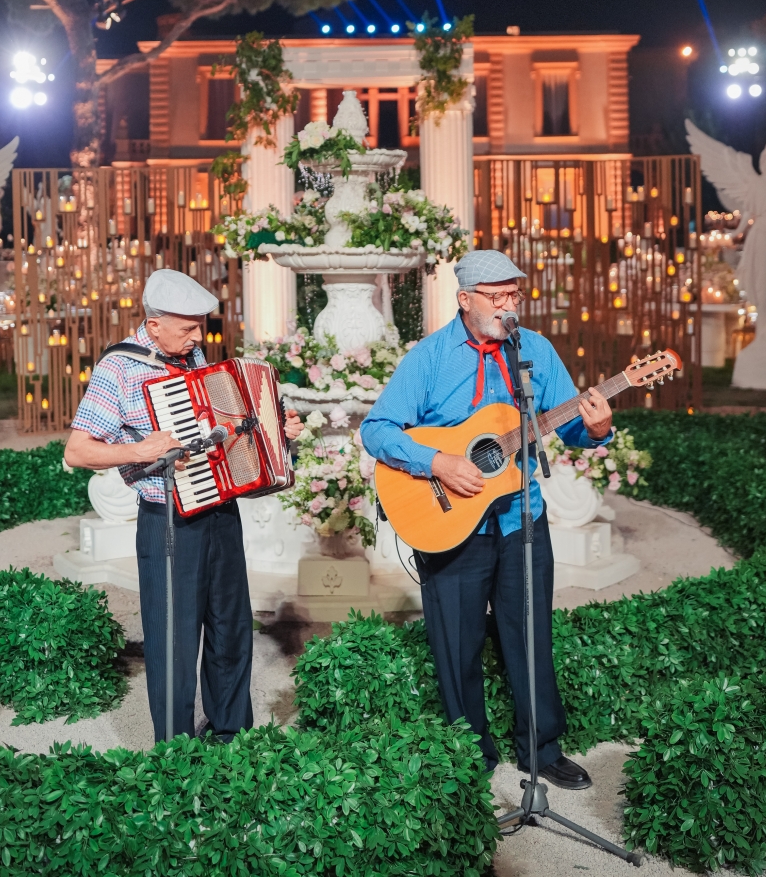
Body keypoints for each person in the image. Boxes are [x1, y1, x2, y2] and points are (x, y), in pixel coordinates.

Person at [360, 249, 613, 787]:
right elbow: (377, 429)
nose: (507, 306)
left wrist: (594, 428)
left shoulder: (536, 351)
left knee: (530, 635)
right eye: (496, 298)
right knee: (458, 642)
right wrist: (440, 462)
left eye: (513, 296)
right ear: (465, 300)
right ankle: (467, 751)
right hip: (449, 522)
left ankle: (541, 749)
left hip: (522, 516)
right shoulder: (428, 358)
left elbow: (565, 424)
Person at [64, 267, 303, 743]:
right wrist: (139, 450)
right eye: (188, 327)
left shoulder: (193, 357)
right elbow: (77, 450)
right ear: (153, 324)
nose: (199, 337)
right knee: (173, 642)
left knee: (230, 630)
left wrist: (279, 432)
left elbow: (228, 429)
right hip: (168, 519)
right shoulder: (119, 368)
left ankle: (230, 732)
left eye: (199, 327)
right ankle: (175, 751)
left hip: (220, 512)